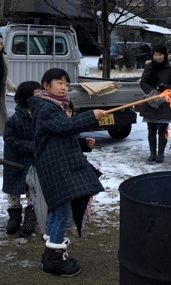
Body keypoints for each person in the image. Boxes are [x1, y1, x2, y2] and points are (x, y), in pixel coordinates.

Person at [27, 68, 107, 276]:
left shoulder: (52, 106)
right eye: (59, 83)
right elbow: (64, 126)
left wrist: (82, 143)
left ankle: (52, 252)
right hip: (55, 168)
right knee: (62, 213)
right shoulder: (46, 108)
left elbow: (58, 136)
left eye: (66, 84)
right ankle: (55, 259)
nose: (64, 87)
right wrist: (91, 116)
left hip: (56, 166)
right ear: (46, 86)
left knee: (57, 211)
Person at [2, 81, 42, 236]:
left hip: (33, 163)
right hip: (15, 162)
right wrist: (31, 147)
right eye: (37, 94)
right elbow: (10, 140)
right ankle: (14, 218)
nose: (41, 97)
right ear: (27, 97)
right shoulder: (14, 120)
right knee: (14, 194)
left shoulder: (40, 116)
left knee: (32, 192)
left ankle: (30, 220)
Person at [139, 44, 171, 163]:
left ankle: (161, 154)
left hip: (164, 103)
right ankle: (152, 154)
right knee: (151, 130)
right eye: (156, 54)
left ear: (164, 55)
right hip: (149, 101)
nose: (158, 57)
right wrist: (152, 93)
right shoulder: (149, 67)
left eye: (160, 55)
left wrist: (164, 88)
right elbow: (143, 82)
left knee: (162, 130)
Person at [0, 34, 17, 135]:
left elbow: (4, 77)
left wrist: (12, 87)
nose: (0, 46)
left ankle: (4, 135)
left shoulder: (4, 58)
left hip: (0, 90)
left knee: (2, 114)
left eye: (1, 44)